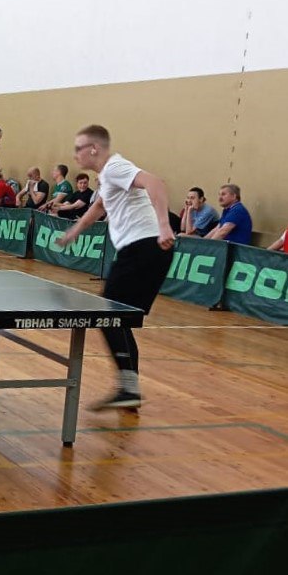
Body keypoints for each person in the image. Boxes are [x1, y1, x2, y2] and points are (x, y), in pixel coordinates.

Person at [56, 125, 174, 411]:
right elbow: (99, 207)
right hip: (147, 251)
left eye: (79, 148)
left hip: (143, 248)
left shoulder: (115, 168)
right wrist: (74, 232)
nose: (75, 154)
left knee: (108, 314)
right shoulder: (107, 177)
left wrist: (164, 225)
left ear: (94, 149)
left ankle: (128, 388)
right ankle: (129, 389)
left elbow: (155, 183)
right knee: (118, 319)